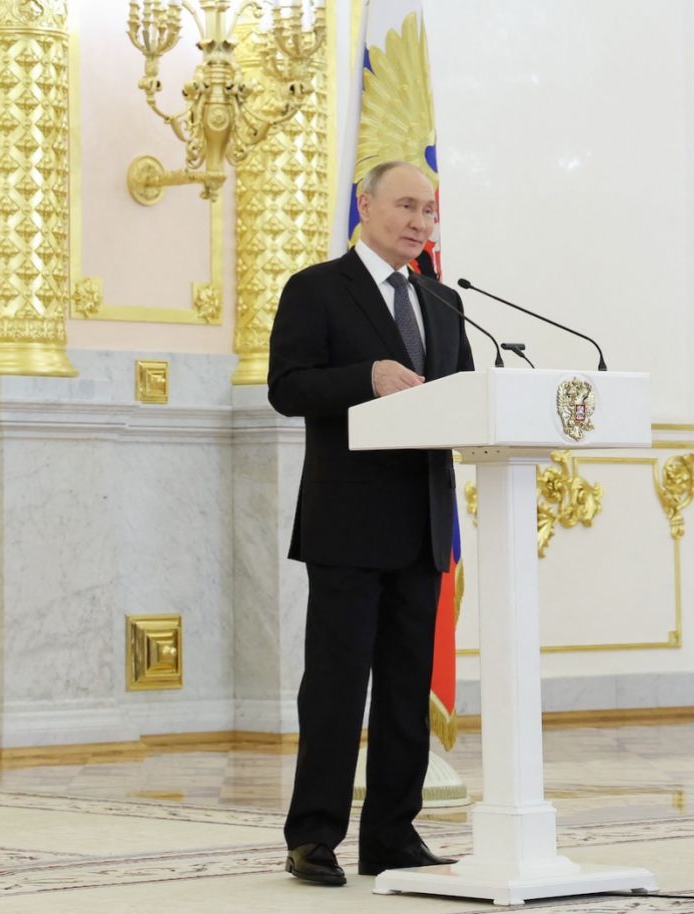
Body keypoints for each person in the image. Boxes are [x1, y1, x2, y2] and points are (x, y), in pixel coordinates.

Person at [267, 160, 473, 886]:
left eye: (430, 210)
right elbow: (286, 389)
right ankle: (313, 837)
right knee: (336, 684)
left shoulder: (444, 302)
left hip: (422, 524)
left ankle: (392, 833)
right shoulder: (317, 289)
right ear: (365, 204)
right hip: (348, 525)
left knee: (404, 690)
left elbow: (466, 400)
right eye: (407, 206)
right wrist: (367, 378)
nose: (421, 222)